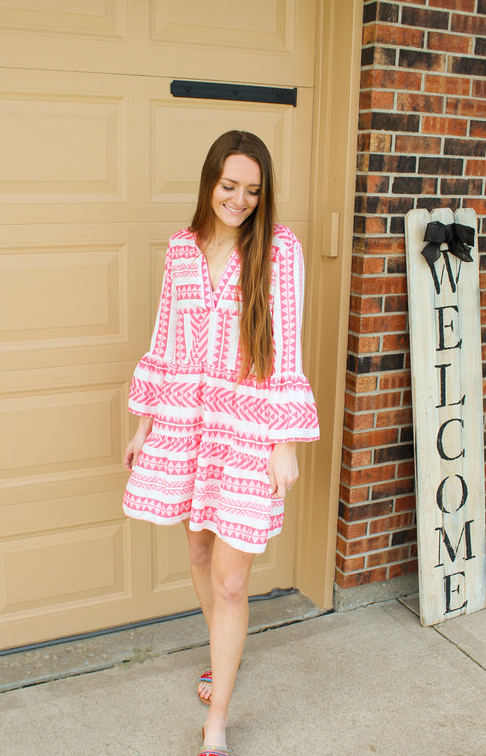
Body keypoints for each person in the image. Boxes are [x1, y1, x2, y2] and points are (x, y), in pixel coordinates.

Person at [123, 130, 319, 756]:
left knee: (234, 581)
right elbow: (164, 342)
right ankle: (221, 653)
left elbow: (286, 348)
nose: (239, 200)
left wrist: (284, 442)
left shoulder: (280, 251)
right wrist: (144, 424)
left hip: (249, 428)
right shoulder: (181, 251)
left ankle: (217, 725)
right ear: (210, 181)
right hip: (187, 422)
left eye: (252, 191)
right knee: (202, 556)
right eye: (229, 186)